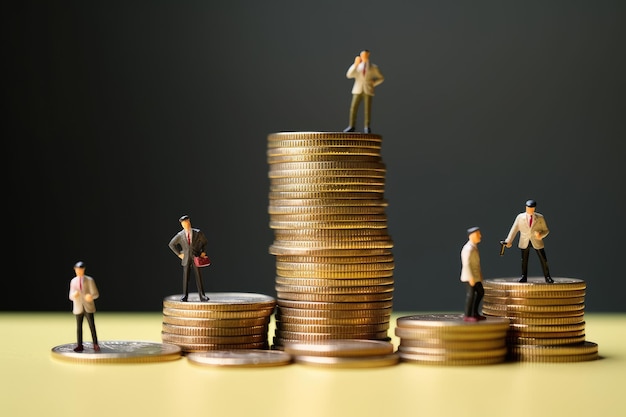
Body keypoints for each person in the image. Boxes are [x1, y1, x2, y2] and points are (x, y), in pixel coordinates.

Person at [503, 199, 554, 283]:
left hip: (536, 241)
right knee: (524, 260)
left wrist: (541, 235)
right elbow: (514, 229)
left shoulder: (540, 217)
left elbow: (546, 230)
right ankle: (523, 276)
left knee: (543, 259)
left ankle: (547, 277)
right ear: (526, 208)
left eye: (532, 208)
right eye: (528, 208)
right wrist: (509, 240)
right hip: (524, 241)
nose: (530, 210)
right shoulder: (520, 217)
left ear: (534, 208)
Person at [168, 214, 210, 301]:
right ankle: (184, 296)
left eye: (187, 222)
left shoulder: (197, 233)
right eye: (183, 224)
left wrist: (203, 252)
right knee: (186, 277)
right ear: (182, 225)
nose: (185, 225)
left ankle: (202, 295)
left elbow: (205, 242)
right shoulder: (180, 235)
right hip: (186, 258)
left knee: (198, 277)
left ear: (189, 222)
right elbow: (171, 244)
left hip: (196, 257)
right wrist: (179, 254)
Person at [343, 49, 384, 134]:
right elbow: (349, 75)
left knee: (367, 109)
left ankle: (367, 127)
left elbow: (381, 78)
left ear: (368, 55)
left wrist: (373, 83)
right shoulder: (358, 67)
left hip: (368, 90)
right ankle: (351, 126)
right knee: (353, 108)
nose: (363, 57)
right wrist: (355, 64)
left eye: (365, 55)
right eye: (362, 55)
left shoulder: (373, 67)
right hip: (358, 89)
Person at [68, 261, 100, 352]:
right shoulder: (73, 281)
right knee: (79, 327)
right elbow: (70, 296)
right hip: (78, 307)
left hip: (88, 306)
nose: (79, 271)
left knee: (91, 325)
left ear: (83, 269)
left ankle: (95, 344)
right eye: (77, 269)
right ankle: (79, 345)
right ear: (75, 269)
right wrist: (74, 295)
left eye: (80, 269)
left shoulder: (89, 280)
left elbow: (96, 294)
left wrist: (91, 296)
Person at [460, 227, 485, 322]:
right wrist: (470, 277)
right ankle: (467, 315)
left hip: (476, 276)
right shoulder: (468, 248)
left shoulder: (473, 247)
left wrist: (479, 276)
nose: (480, 236)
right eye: (478, 234)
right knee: (471, 295)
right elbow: (466, 264)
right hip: (470, 277)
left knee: (480, 292)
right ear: (472, 235)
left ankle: (475, 313)